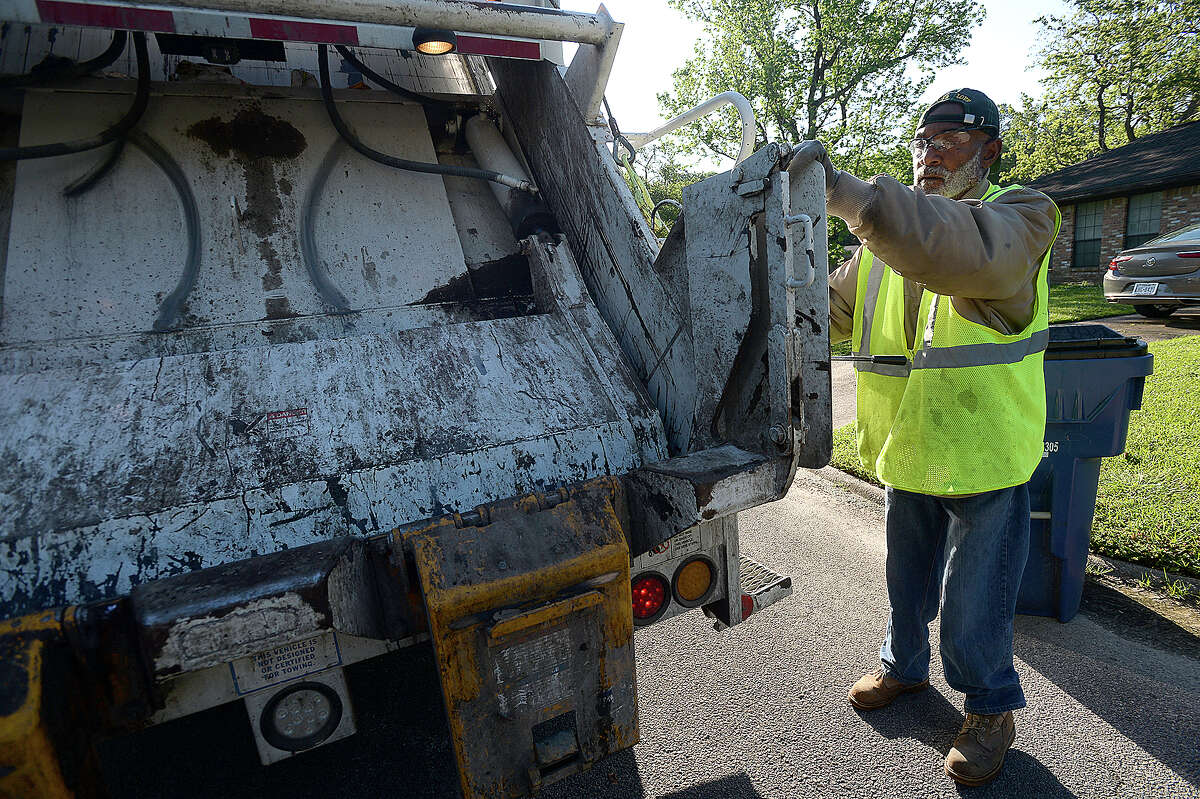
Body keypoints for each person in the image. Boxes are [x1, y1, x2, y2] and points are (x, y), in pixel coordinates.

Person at [793, 89, 1060, 786]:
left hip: (985, 453)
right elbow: (829, 312)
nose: (930, 154)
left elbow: (955, 248)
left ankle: (991, 707)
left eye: (950, 140)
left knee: (975, 600)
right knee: (904, 582)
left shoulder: (1023, 219)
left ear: (991, 150)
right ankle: (903, 665)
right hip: (907, 449)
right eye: (922, 141)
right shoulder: (886, 247)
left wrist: (848, 194)